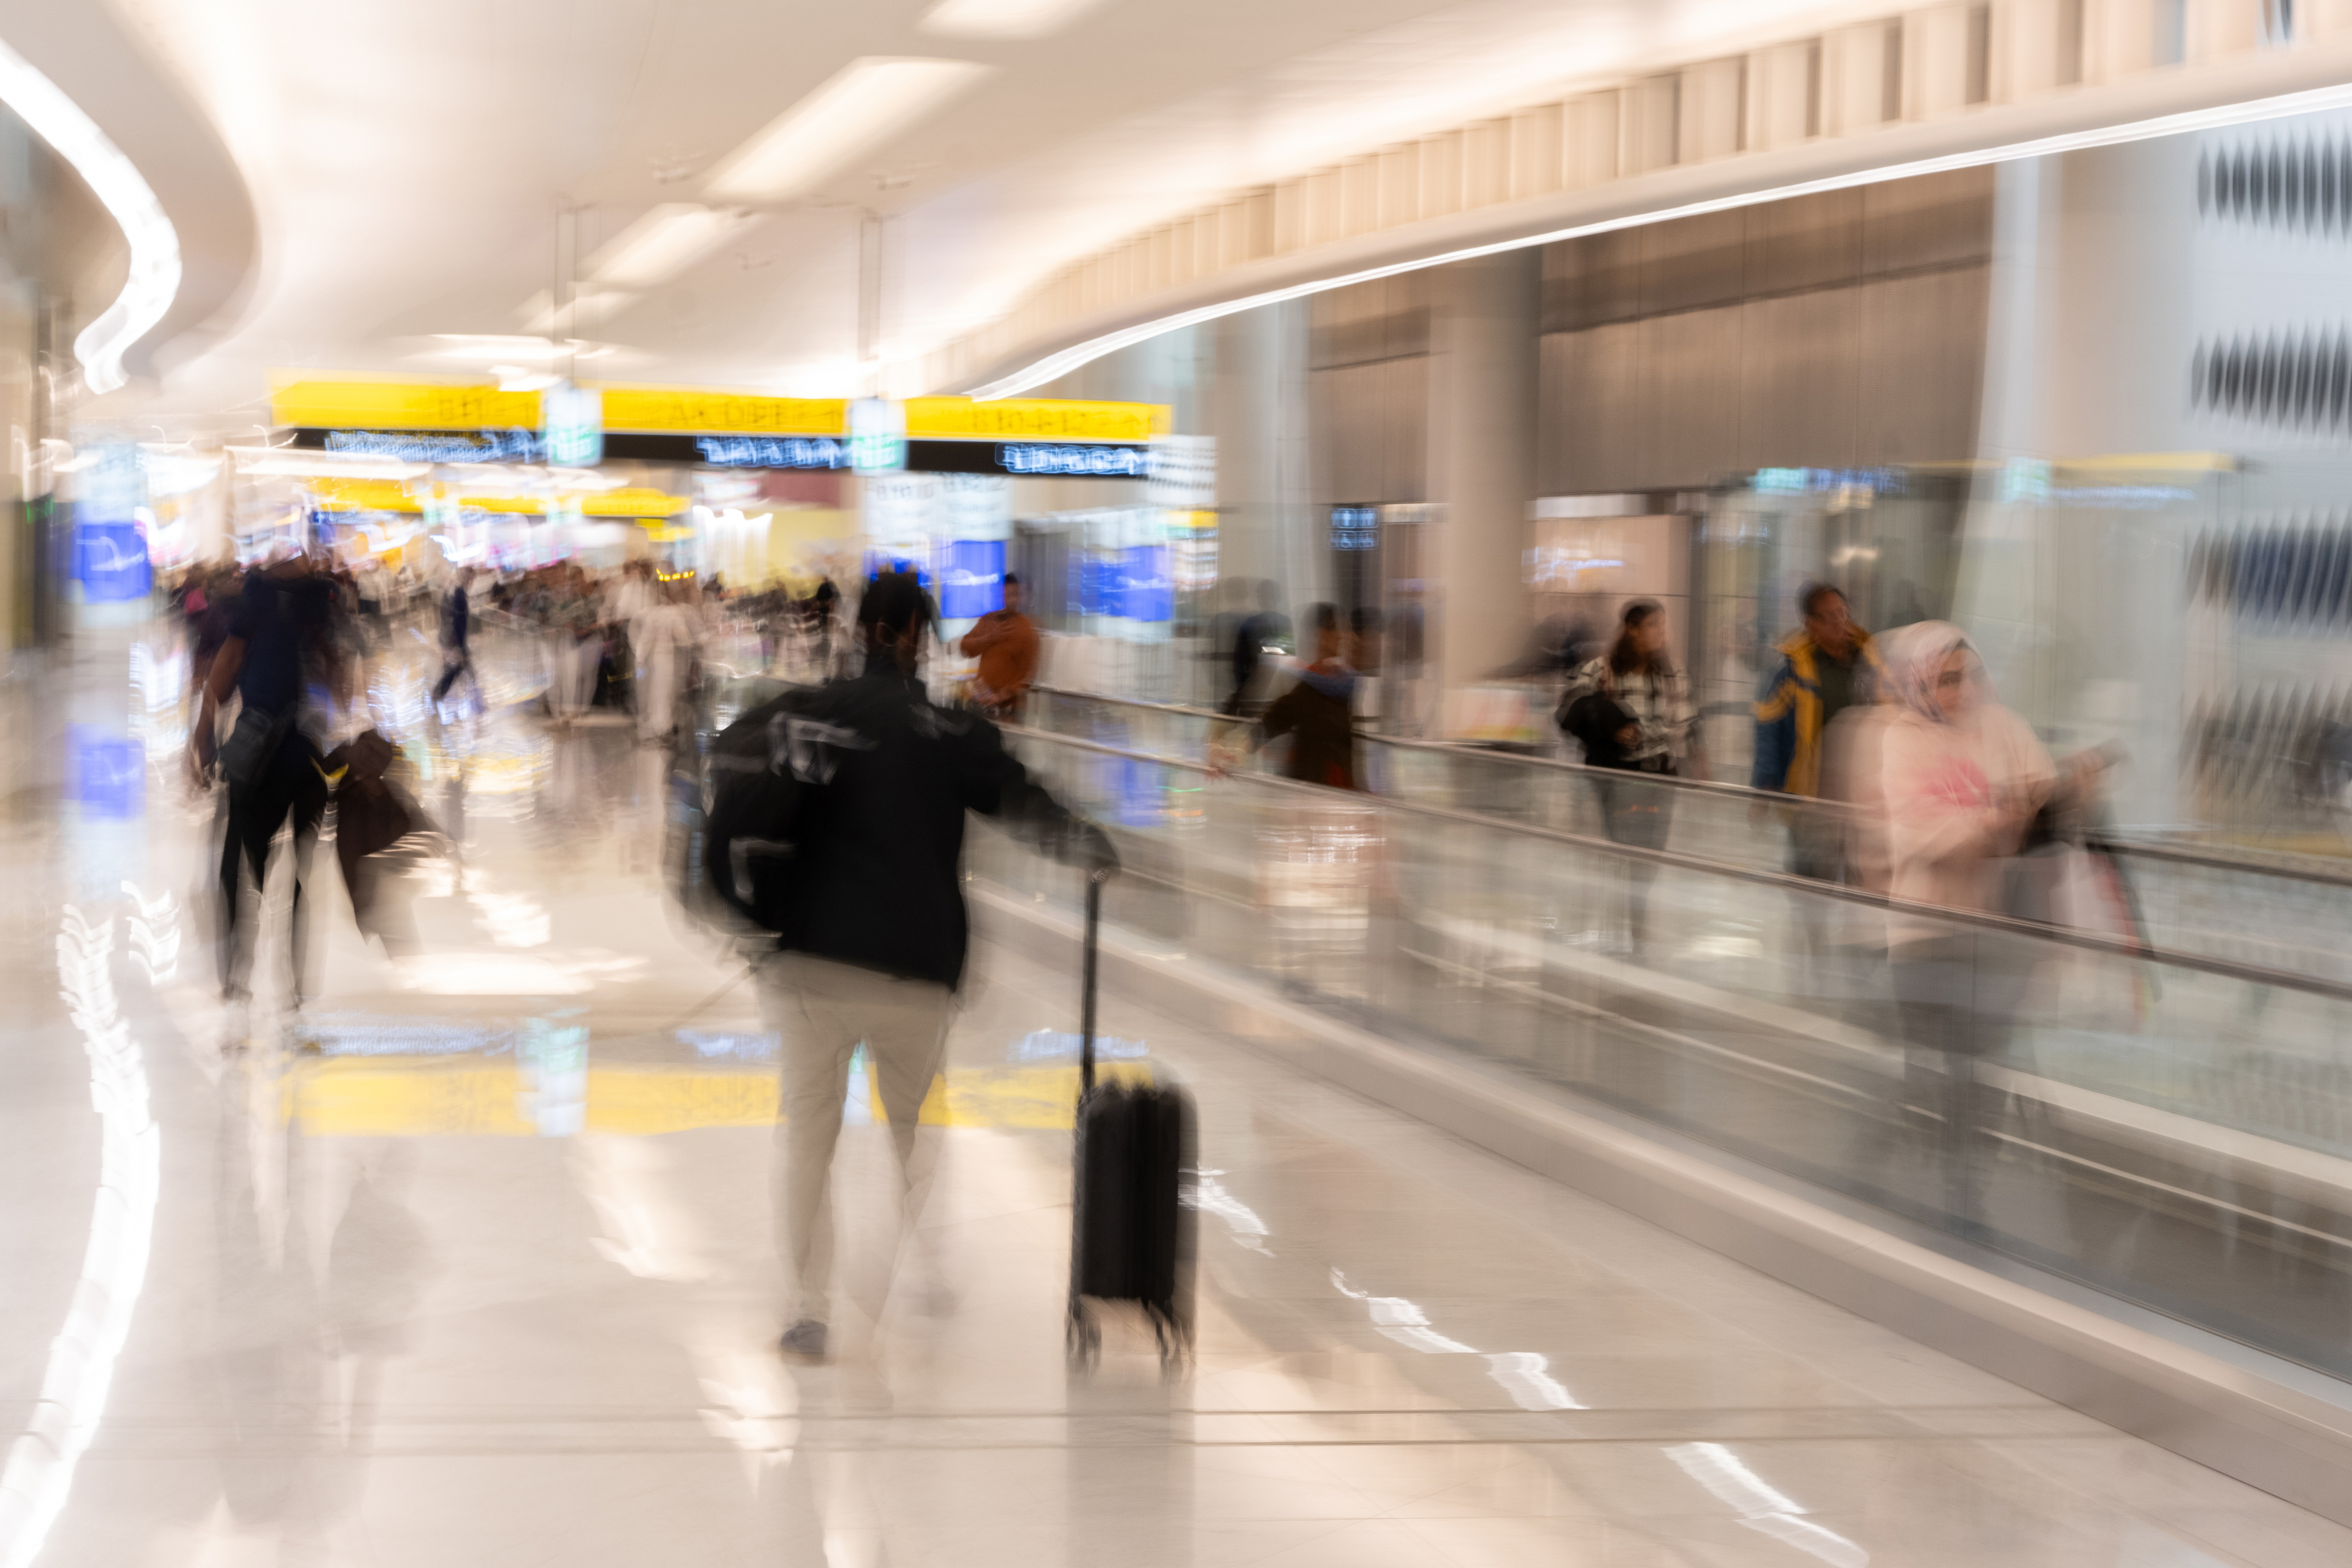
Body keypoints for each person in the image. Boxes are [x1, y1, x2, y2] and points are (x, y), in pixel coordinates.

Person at [704, 571, 1113, 1361]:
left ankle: (807, 1309)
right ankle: (913, 1266)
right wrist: (1087, 843)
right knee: (914, 1128)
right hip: (916, 968)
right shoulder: (945, 730)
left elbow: (729, 809)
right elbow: (1021, 796)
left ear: (862, 630)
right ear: (918, 636)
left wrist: (750, 919)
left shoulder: (808, 715)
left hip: (812, 966)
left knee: (808, 1136)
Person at [1867, 621, 2058, 1223]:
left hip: (1990, 929)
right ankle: (1909, 1171)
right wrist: (1996, 822)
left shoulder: (2002, 727)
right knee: (1934, 1069)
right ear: (1919, 681)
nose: (1961, 691)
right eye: (1946, 679)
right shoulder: (1900, 739)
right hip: (1926, 934)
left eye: (1968, 675)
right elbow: (1919, 835)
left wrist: (2031, 811)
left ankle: (1964, 1189)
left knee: (1979, 1072)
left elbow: (2043, 795)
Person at [187, 550, 345, 1018]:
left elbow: (229, 663)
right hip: (302, 753)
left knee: (235, 862)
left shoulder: (256, 601)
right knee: (297, 869)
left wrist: (202, 733)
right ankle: (290, 985)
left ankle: (239, 974)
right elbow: (336, 676)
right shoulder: (316, 602)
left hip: (256, 750)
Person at [1558, 600, 1698, 949]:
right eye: (1653, 626)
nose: (1660, 634)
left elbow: (1679, 722)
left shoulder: (1671, 673)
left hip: (1660, 773)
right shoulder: (1600, 669)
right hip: (1617, 774)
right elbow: (1568, 711)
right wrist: (1610, 725)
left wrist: (1639, 732)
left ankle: (1636, 918)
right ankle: (1629, 921)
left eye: (1663, 627)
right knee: (1626, 849)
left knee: (1650, 853)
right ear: (1631, 630)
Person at [1753, 583, 1881, 881]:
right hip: (1812, 793)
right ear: (1810, 624)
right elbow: (1769, 728)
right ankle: (1811, 927)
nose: (1840, 622)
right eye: (1829, 616)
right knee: (1811, 879)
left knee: (1861, 875)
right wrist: (1766, 785)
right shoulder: (1791, 670)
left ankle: (1852, 926)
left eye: (1843, 613)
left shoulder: (1871, 660)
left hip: (1862, 791)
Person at [1248, 602, 1359, 790]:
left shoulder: (1343, 684)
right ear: (1320, 635)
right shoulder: (1305, 685)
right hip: (1314, 791)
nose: (1344, 636)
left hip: (1340, 789)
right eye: (1337, 629)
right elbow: (1271, 723)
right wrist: (1231, 753)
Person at [958, 571, 1040, 717]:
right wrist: (989, 638)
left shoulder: (1027, 629)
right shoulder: (988, 621)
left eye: (1014, 595)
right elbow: (965, 649)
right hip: (981, 704)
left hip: (1009, 710)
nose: (1009, 600)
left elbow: (1028, 675)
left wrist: (1002, 696)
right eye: (1005, 595)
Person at [1223, 579, 1291, 717]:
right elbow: (1287, 656)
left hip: (1256, 693)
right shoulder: (1283, 623)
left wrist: (1243, 688)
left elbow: (1239, 663)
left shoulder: (1251, 624)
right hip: (1267, 693)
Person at [431, 566, 477, 714]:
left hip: (449, 638)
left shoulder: (452, 590)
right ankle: (437, 697)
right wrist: (458, 645)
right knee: (457, 669)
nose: (472, 582)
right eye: (471, 579)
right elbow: (458, 621)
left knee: (457, 669)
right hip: (454, 639)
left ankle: (439, 698)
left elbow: (446, 616)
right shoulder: (458, 592)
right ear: (466, 578)